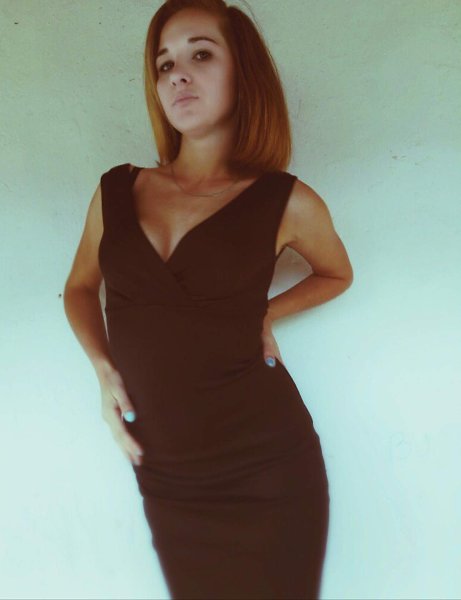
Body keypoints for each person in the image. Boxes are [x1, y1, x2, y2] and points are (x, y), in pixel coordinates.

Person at [63, 0, 353, 598]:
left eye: (200, 54)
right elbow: (79, 287)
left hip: (269, 470)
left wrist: (266, 313)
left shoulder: (286, 200)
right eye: (165, 64)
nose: (178, 76)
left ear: (243, 72)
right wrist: (103, 369)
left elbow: (336, 273)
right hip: (166, 473)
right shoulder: (116, 190)